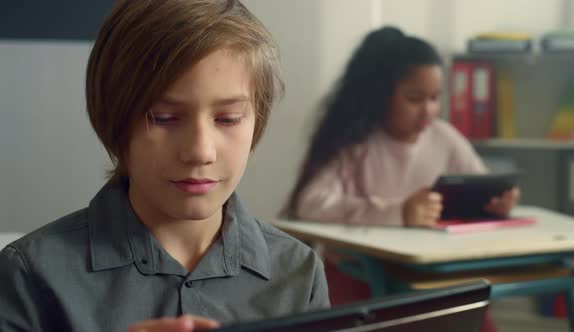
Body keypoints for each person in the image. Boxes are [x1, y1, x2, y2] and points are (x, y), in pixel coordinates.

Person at [0, 1, 329, 331]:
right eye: (164, 118)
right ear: (114, 119)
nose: (200, 151)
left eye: (228, 119)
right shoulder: (30, 276)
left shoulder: (299, 274)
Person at [283, 26, 518, 331]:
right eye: (414, 98)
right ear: (382, 94)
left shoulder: (444, 137)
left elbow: (480, 183)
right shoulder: (355, 143)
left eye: (435, 98)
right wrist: (398, 212)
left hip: (430, 276)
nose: (428, 111)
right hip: (357, 278)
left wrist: (495, 203)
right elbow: (309, 203)